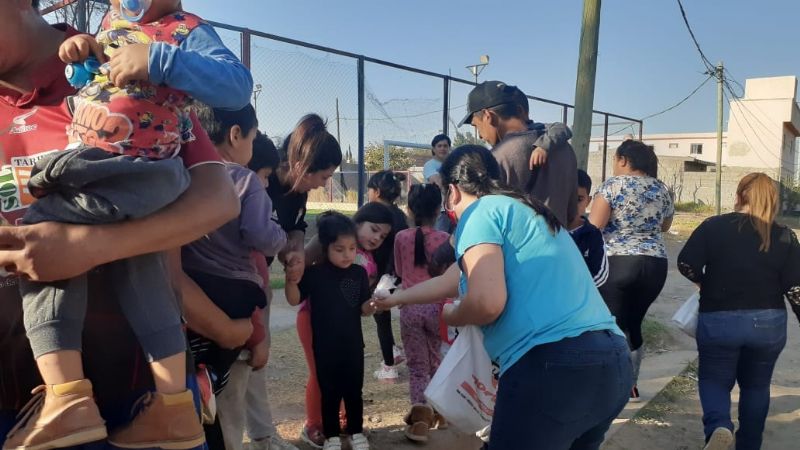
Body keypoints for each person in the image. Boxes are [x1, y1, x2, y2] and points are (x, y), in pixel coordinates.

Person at [0, 1, 243, 447]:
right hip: (15, 407)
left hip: (138, 392)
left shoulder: (134, 57)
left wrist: (89, 246)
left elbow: (218, 199)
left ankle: (75, 397)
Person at [375, 145, 631, 450]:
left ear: (453, 192)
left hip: (553, 367)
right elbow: (450, 280)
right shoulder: (526, 212)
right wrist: (397, 298)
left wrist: (452, 315)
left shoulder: (480, 212)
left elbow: (486, 303)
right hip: (612, 363)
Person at [182, 107, 292, 450]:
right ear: (235, 134)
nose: (253, 144)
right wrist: (281, 236)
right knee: (254, 302)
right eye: (254, 137)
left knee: (203, 349)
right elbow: (261, 235)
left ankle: (205, 374)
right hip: (233, 286)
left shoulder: (182, 175)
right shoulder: (245, 180)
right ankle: (213, 376)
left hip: (192, 285)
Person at [677, 173, 800, 450]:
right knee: (756, 387)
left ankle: (719, 425)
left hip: (719, 318)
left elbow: (686, 263)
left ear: (740, 194)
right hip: (768, 323)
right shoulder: (784, 235)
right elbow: (796, 288)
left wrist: (706, 284)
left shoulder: (714, 226)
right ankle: (749, 445)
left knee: (714, 379)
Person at [269, 114, 343, 448]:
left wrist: (295, 253)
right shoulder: (263, 177)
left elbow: (295, 231)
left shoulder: (297, 192)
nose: (323, 184)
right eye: (324, 176)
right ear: (301, 164)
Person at [588, 140, 674, 402]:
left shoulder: (613, 185)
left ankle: (607, 386)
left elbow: (595, 228)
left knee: (611, 324)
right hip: (655, 264)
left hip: (619, 262)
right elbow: (665, 226)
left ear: (624, 160)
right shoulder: (662, 189)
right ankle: (630, 385)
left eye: (615, 159)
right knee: (633, 324)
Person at [285, 212, 377, 450]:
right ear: (325, 247)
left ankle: (356, 432)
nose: (347, 255)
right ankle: (332, 435)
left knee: (354, 389)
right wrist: (291, 281)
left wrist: (375, 304)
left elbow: (363, 308)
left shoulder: (358, 273)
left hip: (353, 344)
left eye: (352, 248)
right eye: (340, 249)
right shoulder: (314, 275)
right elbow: (295, 300)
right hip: (325, 346)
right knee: (329, 391)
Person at [459, 80, 575, 225]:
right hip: (561, 243)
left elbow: (480, 221)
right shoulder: (565, 149)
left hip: (515, 247)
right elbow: (572, 215)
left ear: (489, 116)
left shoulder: (496, 158)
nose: (481, 136)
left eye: (477, 126)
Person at [392, 184, 450, 442]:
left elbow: (399, 270)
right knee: (437, 362)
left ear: (409, 209)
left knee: (417, 367)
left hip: (410, 307)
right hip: (438, 308)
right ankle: (440, 410)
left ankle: (420, 422)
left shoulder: (401, 237)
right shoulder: (445, 240)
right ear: (439, 210)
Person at [366, 170, 408, 380]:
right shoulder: (400, 215)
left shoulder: (373, 212)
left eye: (370, 189)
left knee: (381, 316)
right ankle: (393, 350)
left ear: (377, 191)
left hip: (381, 274)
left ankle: (389, 366)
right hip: (396, 273)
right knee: (383, 315)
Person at [569, 169, 608, 287]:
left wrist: (576, 290)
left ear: (588, 201)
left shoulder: (592, 235)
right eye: (568, 198)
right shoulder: (548, 229)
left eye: (579, 199)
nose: (572, 205)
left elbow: (599, 274)